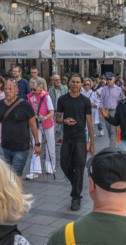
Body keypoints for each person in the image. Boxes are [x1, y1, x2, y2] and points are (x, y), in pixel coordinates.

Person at [56, 74, 95, 211]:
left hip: (80, 138)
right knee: (64, 164)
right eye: (73, 82)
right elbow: (58, 118)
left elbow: (89, 122)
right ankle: (76, 184)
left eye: (78, 82)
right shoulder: (62, 99)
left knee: (79, 167)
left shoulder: (85, 101)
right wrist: (64, 121)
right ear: (69, 83)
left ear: (82, 84)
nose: (75, 84)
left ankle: (76, 197)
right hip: (67, 138)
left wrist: (92, 143)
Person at [0, 79, 42, 179]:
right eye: (5, 89)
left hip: (21, 148)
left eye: (10, 89)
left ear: (17, 91)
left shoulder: (25, 105)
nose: (7, 91)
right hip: (5, 147)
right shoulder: (0, 104)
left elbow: (33, 125)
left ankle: (17, 193)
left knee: (15, 176)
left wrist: (37, 144)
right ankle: (15, 194)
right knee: (8, 176)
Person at [27, 80, 56, 179]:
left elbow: (52, 112)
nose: (33, 91)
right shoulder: (30, 97)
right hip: (35, 124)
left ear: (40, 88)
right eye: (31, 89)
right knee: (36, 144)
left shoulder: (46, 97)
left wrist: (45, 117)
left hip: (47, 123)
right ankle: (35, 170)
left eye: (34, 89)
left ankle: (50, 166)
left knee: (50, 145)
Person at [99, 72, 122, 148]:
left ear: (114, 79)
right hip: (106, 111)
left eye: (110, 79)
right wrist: (101, 112)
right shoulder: (103, 89)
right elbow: (101, 100)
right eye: (107, 79)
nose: (108, 81)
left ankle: (111, 147)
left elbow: (121, 101)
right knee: (109, 129)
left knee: (113, 130)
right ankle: (113, 143)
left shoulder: (119, 89)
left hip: (115, 111)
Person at [49, 75, 68, 143]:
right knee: (54, 125)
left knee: (63, 125)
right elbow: (50, 100)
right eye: (55, 80)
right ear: (53, 81)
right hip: (55, 110)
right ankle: (51, 139)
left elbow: (67, 98)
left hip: (63, 110)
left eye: (58, 79)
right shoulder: (51, 89)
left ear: (60, 80)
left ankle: (62, 138)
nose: (57, 81)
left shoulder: (65, 88)